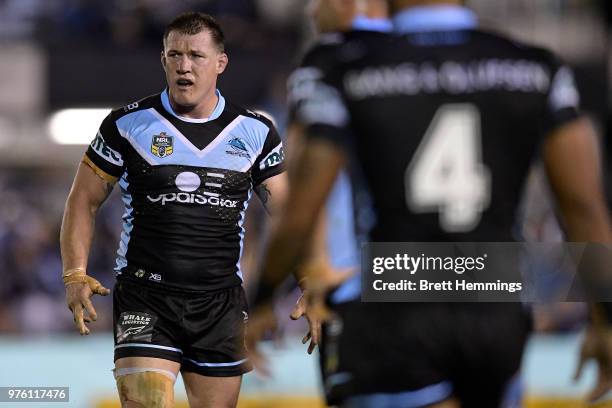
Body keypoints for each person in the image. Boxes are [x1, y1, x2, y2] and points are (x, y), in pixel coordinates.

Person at [247, 0, 612, 407]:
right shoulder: (535, 67)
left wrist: (261, 299)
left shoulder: (344, 67)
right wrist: (606, 320)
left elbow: (301, 207)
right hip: (492, 297)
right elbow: (583, 209)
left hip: (394, 297)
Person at [60, 12, 289, 408]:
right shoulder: (126, 125)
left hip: (221, 303)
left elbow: (287, 213)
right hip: (146, 298)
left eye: (196, 56)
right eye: (174, 55)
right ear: (163, 60)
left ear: (221, 63)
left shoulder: (256, 133)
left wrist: (307, 279)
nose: (184, 65)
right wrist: (74, 273)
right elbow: (83, 200)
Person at [287, 0, 391, 357]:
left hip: (354, 285)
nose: (313, 12)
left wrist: (309, 276)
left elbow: (310, 191)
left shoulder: (327, 64)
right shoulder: (442, 60)